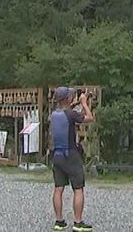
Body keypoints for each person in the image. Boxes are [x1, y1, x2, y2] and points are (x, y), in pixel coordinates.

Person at [50, 86, 94, 231]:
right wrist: (84, 103)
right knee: (78, 188)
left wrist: (79, 103)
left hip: (57, 155)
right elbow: (89, 118)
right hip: (71, 155)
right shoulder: (71, 114)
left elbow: (70, 114)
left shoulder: (54, 114)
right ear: (68, 99)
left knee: (58, 188)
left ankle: (59, 221)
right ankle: (78, 222)